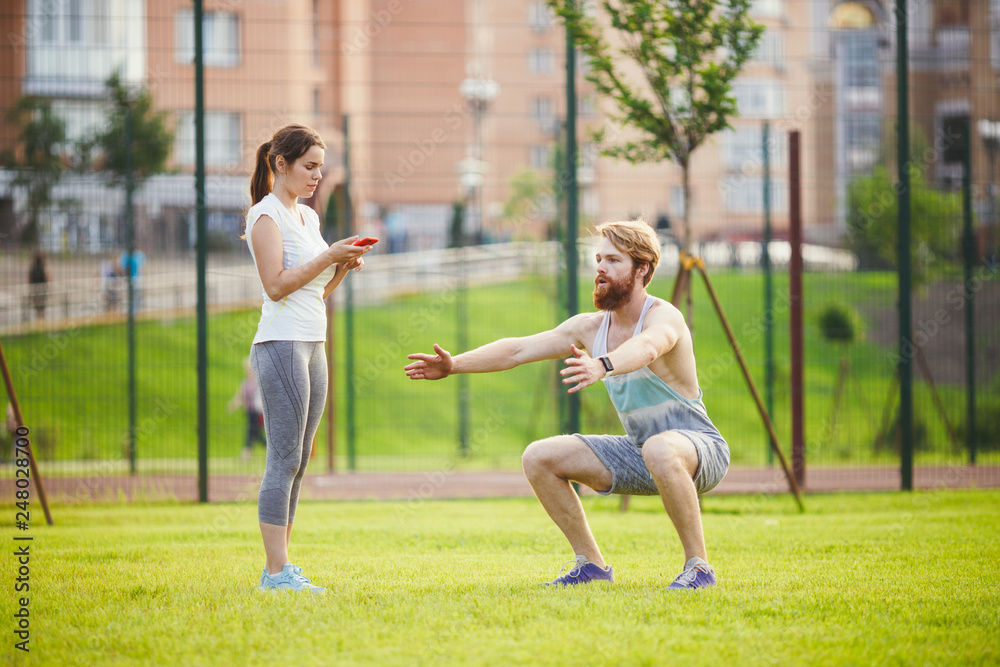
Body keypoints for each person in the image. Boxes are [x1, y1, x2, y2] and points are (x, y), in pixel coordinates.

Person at [405, 220, 729, 590]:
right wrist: (454, 365)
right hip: (640, 452)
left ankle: (699, 567)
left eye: (613, 260)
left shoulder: (663, 315)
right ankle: (591, 567)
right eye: (598, 260)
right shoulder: (590, 328)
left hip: (699, 449)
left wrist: (602, 364)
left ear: (642, 269)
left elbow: (649, 347)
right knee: (539, 456)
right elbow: (517, 350)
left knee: (660, 447)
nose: (601, 269)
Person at [244, 123, 373, 594]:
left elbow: (315, 293)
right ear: (281, 164)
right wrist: (327, 260)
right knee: (283, 456)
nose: (318, 176)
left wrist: (340, 266)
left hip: (312, 342)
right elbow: (276, 285)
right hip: (280, 345)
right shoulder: (264, 217)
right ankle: (275, 574)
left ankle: (283, 568)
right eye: (310, 166)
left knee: (300, 458)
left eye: (321, 167)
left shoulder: (309, 219)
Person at [228, 357, 266, 460]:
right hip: (250, 412)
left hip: (258, 412)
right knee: (256, 434)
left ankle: (246, 455)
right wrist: (233, 405)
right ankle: (266, 450)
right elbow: (240, 396)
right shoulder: (246, 383)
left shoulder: (259, 382)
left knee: (251, 433)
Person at [27, 250, 49, 320]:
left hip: (36, 290)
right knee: (41, 308)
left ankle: (39, 321)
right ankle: (41, 321)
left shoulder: (33, 267)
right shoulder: (43, 266)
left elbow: (29, 279)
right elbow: (48, 277)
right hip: (41, 290)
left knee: (39, 308)